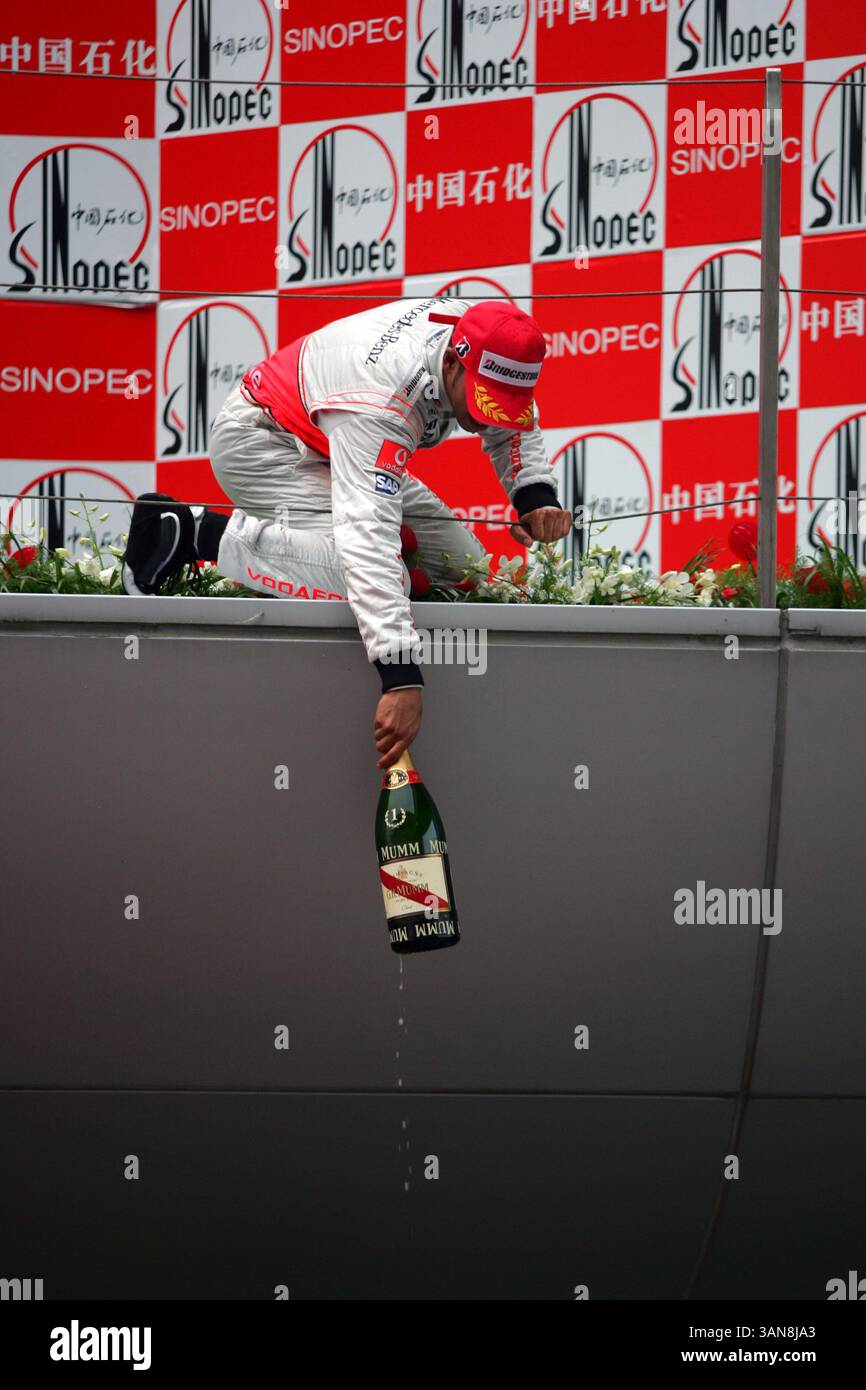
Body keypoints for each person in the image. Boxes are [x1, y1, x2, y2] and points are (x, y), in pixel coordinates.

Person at [121, 297, 573, 766]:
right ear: (455, 364)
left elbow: (510, 418)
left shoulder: (490, 336)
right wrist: (401, 678)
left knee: (469, 570)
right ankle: (188, 533)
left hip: (331, 435)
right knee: (377, 576)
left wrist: (534, 496)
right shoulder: (382, 399)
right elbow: (367, 538)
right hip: (262, 439)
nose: (486, 418)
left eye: (502, 402)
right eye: (481, 401)